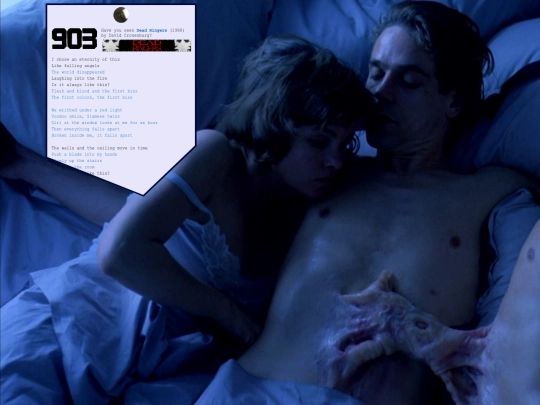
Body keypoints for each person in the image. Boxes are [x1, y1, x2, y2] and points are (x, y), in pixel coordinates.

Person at [194, 2, 540, 404]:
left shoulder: (493, 193)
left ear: (454, 101)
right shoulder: (320, 171)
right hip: (250, 389)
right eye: (375, 73)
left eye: (408, 82)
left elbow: (513, 337)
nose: (379, 94)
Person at [0, 35, 374, 404]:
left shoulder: (303, 213)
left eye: (345, 144)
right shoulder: (216, 153)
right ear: (276, 123)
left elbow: (126, 212)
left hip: (158, 370)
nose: (336, 161)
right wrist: (227, 313)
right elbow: (119, 251)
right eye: (319, 142)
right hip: (77, 325)